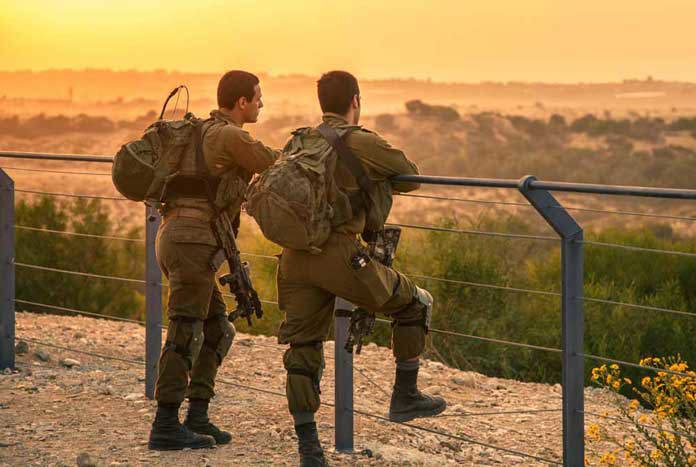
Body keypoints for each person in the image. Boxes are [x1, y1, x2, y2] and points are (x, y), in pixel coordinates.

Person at [276, 70, 446, 466]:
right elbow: (410, 175)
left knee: (303, 347)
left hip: (295, 255)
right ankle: (405, 397)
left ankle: (309, 450)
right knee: (415, 304)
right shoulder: (361, 141)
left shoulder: (298, 141)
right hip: (339, 254)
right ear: (356, 100)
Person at [148, 70, 280, 451]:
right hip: (191, 242)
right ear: (241, 102)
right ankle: (165, 424)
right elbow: (273, 162)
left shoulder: (200, 131)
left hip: (181, 238)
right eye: (258, 98)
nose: (261, 103)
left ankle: (198, 416)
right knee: (184, 330)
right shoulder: (230, 136)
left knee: (218, 328)